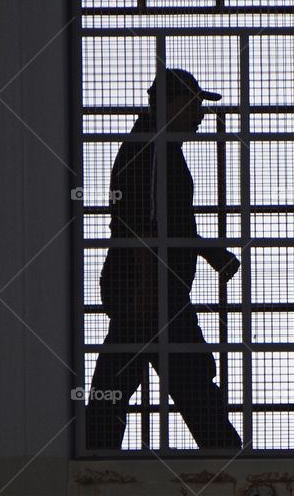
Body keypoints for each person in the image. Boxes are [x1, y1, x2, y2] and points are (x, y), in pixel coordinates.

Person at [86, 69, 242, 450]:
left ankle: (92, 458)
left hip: (147, 287)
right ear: (170, 104)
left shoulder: (157, 147)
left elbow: (161, 222)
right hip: (149, 288)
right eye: (194, 104)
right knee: (188, 378)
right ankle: (229, 461)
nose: (200, 114)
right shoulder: (154, 148)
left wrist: (206, 251)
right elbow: (138, 225)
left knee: (122, 379)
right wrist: (149, 289)